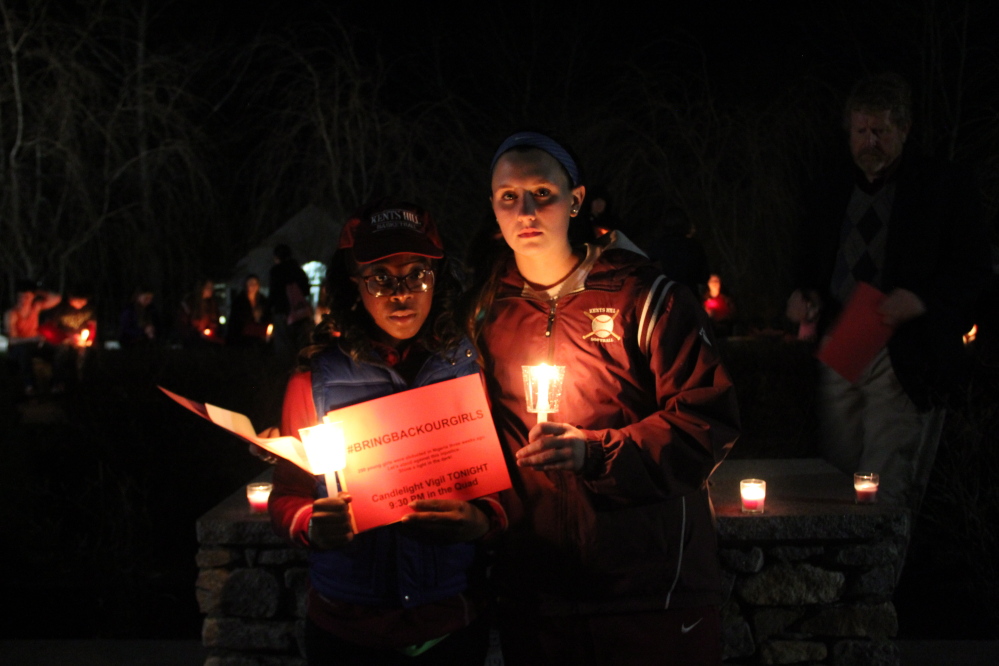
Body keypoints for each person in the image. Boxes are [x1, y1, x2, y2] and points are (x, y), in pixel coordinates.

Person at [467, 131, 740, 666]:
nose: (525, 209)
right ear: (493, 209)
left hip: (648, 589)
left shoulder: (644, 297)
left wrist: (595, 454)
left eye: (542, 192)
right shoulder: (483, 312)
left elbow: (707, 419)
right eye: (508, 196)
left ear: (575, 200)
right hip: (538, 594)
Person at [268, 201, 505, 666]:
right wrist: (312, 524)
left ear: (438, 279)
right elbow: (287, 493)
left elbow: (498, 480)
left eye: (416, 274)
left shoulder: (467, 366)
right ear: (353, 285)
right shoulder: (313, 380)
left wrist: (482, 521)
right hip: (347, 628)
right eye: (381, 279)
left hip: (450, 623)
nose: (401, 295)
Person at [785, 73, 989, 510]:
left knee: (887, 479)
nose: (869, 142)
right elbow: (808, 259)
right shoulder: (830, 187)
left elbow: (973, 271)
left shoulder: (941, 188)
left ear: (903, 130)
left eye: (880, 131)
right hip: (844, 338)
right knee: (837, 474)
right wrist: (804, 295)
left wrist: (923, 300)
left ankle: (884, 570)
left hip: (906, 351)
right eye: (861, 131)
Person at [4, 281, 61, 395]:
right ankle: (30, 387)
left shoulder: (35, 307)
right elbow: (12, 340)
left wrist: (38, 291)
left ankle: (56, 384)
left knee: (57, 350)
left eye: (27, 297)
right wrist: (33, 339)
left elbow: (57, 298)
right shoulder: (12, 314)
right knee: (24, 353)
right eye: (21, 296)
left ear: (33, 297)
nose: (23, 300)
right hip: (18, 347)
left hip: (35, 345)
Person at [40, 287, 97, 391]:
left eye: (84, 300)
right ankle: (58, 382)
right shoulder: (60, 309)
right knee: (62, 352)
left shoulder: (89, 309)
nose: (82, 303)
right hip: (63, 339)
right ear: (71, 298)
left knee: (89, 352)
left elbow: (92, 325)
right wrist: (68, 337)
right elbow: (50, 328)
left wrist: (89, 338)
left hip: (82, 339)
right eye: (79, 300)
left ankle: (85, 380)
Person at [269, 244, 315, 361]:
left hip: (283, 313)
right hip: (300, 312)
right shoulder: (298, 270)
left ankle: (286, 371)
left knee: (284, 345)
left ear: (276, 257)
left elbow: (274, 294)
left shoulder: (276, 271)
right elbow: (306, 290)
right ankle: (302, 368)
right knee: (301, 343)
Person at [226, 274, 272, 347]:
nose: (253, 286)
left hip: (260, 334)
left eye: (255, 283)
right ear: (246, 285)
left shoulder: (263, 301)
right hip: (243, 336)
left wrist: (260, 319)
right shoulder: (239, 301)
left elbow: (268, 316)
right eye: (250, 283)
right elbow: (236, 320)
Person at [177, 278, 222, 346]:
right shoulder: (189, 304)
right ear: (201, 288)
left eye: (212, 287)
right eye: (208, 287)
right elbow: (183, 325)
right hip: (193, 343)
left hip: (209, 342)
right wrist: (196, 333)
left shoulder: (212, 304)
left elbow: (216, 321)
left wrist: (213, 327)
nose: (211, 290)